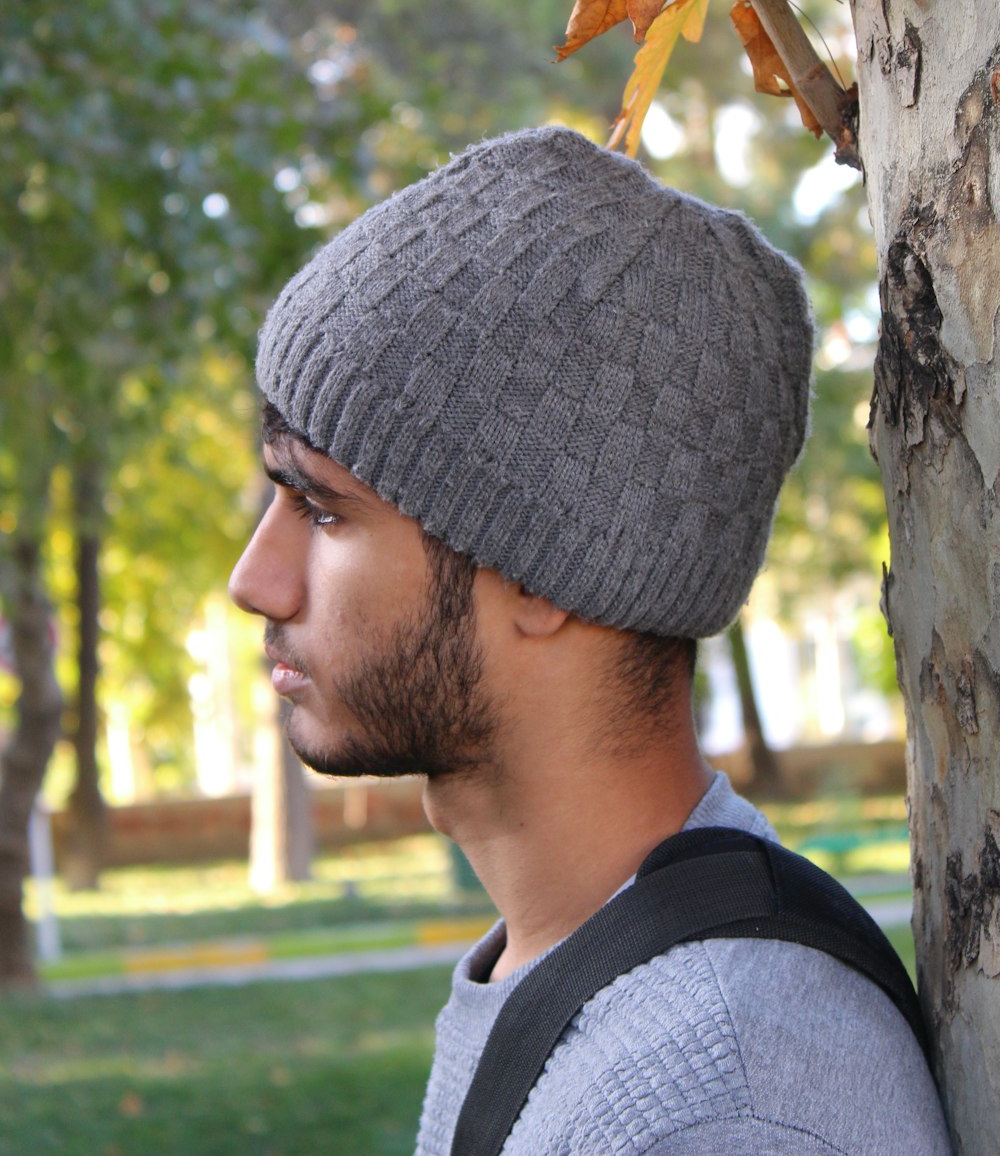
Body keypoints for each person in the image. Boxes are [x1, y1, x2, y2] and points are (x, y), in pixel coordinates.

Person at [229, 126, 950, 1155]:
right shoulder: (581, 978)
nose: (255, 580)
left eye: (324, 508)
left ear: (539, 569)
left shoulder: (720, 1092)